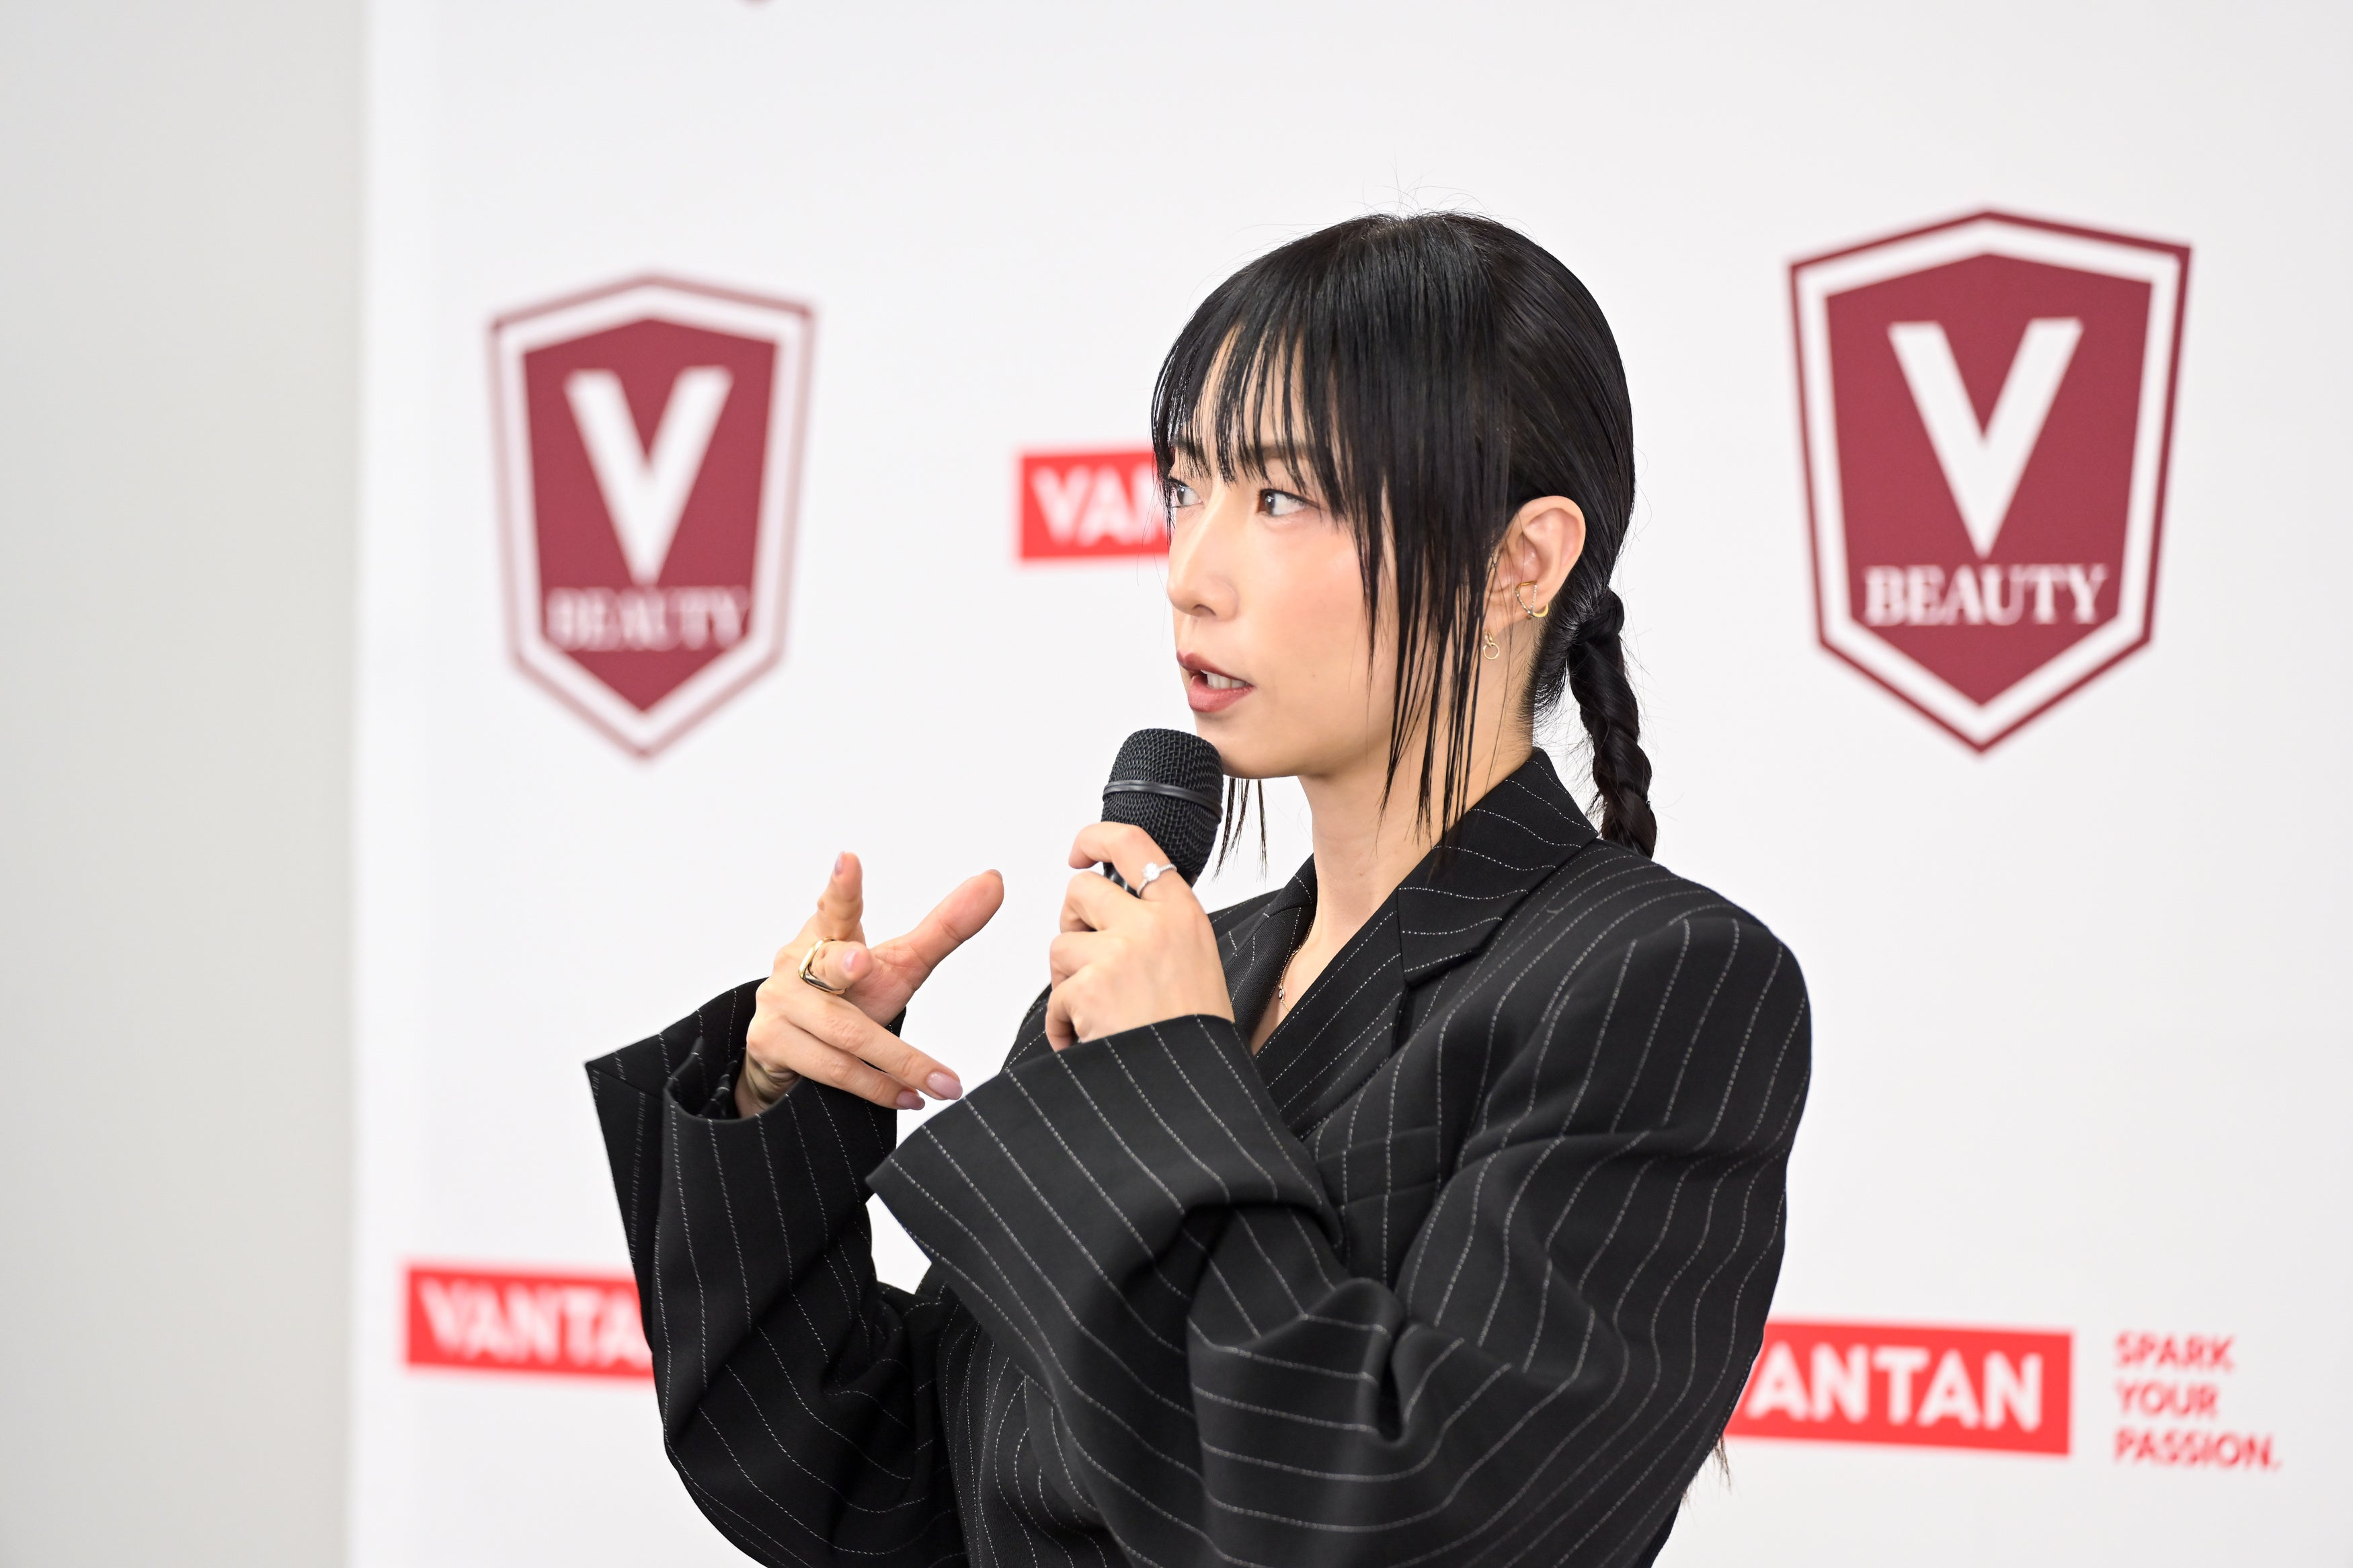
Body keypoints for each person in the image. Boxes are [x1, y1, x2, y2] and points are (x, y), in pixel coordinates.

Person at [587, 212, 1810, 1568]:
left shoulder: (1660, 982)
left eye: (1280, 498)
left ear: (1516, 561)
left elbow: (1412, 1520)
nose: (1187, 575)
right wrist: (776, 1108)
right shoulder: (1171, 970)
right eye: (1185, 488)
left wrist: (1170, 1075)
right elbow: (906, 1497)